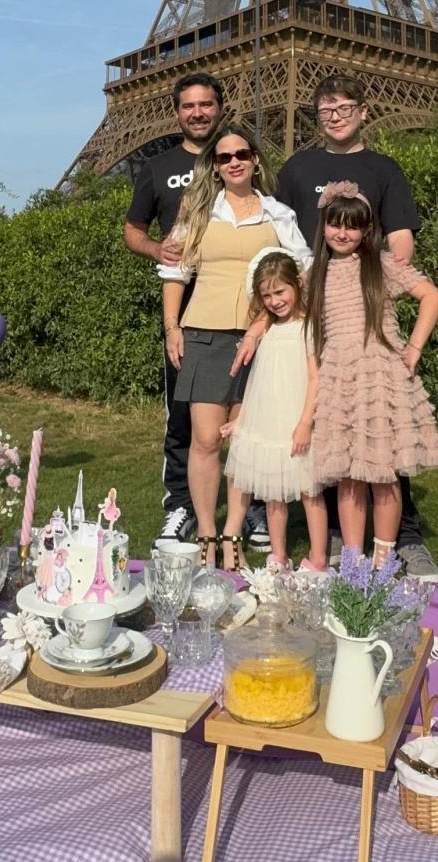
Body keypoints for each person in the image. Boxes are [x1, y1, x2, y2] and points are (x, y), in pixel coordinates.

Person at [271, 72, 438, 578]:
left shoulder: (383, 168)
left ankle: (396, 547)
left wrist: (408, 342)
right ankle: (344, 552)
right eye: (326, 108)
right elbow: (281, 243)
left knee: (384, 460)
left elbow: (404, 244)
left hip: (377, 354)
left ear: (363, 110)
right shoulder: (297, 168)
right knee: (340, 461)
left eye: (344, 106)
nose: (335, 114)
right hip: (329, 350)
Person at [160, 125, 310, 567]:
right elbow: (175, 273)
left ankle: (233, 533)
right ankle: (206, 532)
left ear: (256, 159)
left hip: (260, 339)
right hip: (203, 333)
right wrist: (172, 327)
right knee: (206, 439)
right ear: (215, 166)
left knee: (244, 440)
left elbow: (301, 271)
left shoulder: (277, 214)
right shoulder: (198, 213)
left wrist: (262, 322)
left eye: (242, 153)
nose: (234, 162)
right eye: (224, 157)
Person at [305, 183, 438, 566]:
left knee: (383, 472)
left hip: (380, 373)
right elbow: (281, 308)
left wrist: (414, 347)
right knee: (349, 473)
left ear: (366, 230)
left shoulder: (382, 265)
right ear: (324, 226)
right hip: (338, 377)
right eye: (335, 225)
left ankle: (384, 559)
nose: (342, 233)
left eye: (352, 227)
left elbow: (432, 296)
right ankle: (353, 557)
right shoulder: (313, 273)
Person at [123, 72, 223, 543]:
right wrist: (156, 249)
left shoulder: (239, 157)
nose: (198, 112)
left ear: (219, 108)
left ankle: (255, 506)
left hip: (240, 306)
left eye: (206, 104)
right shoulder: (158, 166)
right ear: (177, 112)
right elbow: (133, 231)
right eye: (189, 106)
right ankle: (180, 504)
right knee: (181, 414)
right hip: (184, 310)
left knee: (251, 410)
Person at [219, 248, 329, 576]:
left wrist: (305, 423)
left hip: (298, 421)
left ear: (297, 284)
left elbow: (314, 378)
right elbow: (261, 383)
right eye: (267, 295)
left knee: (310, 492)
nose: (274, 301)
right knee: (273, 495)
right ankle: (279, 557)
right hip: (269, 424)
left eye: (280, 291)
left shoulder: (309, 327)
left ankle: (319, 559)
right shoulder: (267, 330)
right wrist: (243, 419)